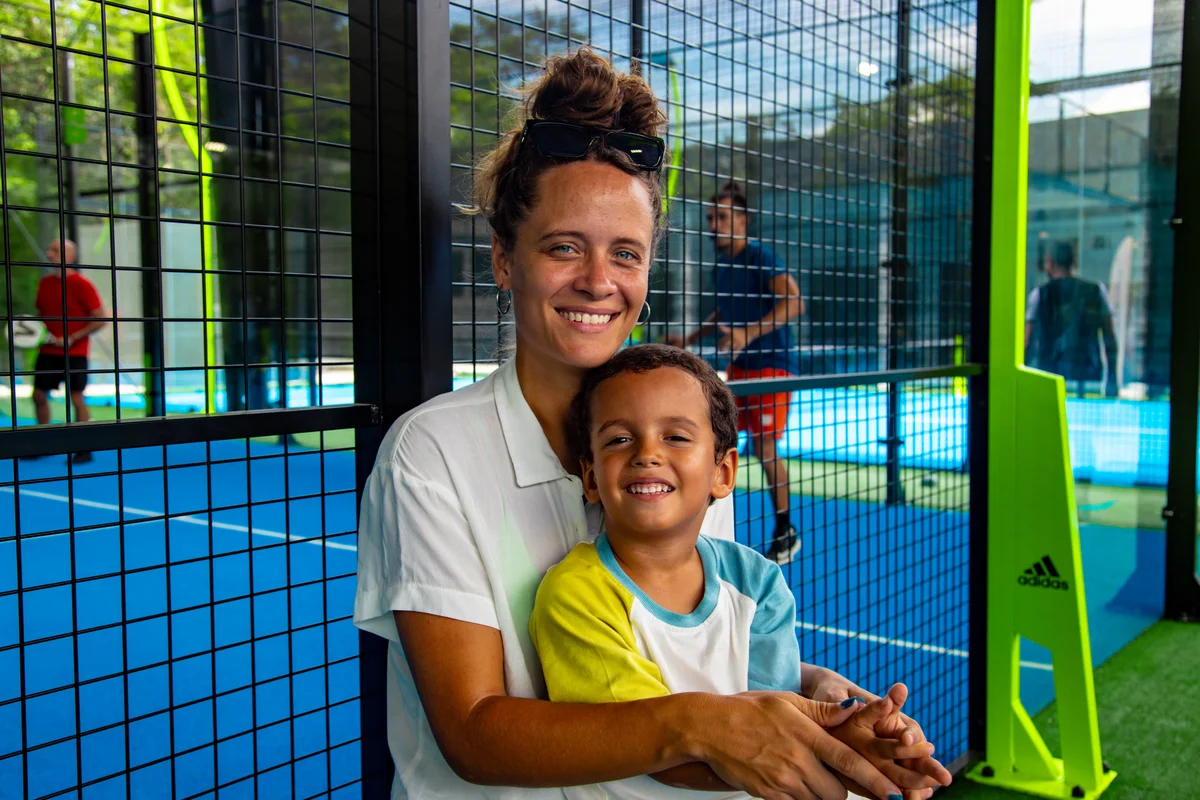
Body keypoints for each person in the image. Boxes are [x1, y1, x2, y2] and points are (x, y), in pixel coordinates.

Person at [354, 49, 940, 800]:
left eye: (625, 253)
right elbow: (473, 731)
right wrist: (705, 726)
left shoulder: (689, 440)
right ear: (505, 259)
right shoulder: (430, 455)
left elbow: (709, 657)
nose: (599, 281)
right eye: (564, 246)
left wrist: (827, 711)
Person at [530, 343, 949, 800]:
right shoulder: (577, 593)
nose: (646, 453)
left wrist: (850, 728)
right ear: (591, 479)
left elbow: (776, 708)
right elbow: (655, 741)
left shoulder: (756, 580)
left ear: (723, 472)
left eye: (675, 436)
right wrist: (836, 745)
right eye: (619, 439)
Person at [668, 182, 804, 564]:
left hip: (773, 367)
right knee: (716, 439)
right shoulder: (722, 267)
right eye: (711, 218)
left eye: (723, 217)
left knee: (763, 447)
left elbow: (794, 301)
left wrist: (749, 333)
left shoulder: (760, 257)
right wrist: (691, 338)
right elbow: (725, 312)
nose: (714, 224)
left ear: (742, 221)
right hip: (740, 368)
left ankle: (785, 529)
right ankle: (704, 528)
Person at [30, 238, 106, 462]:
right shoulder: (44, 284)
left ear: (70, 256)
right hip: (47, 353)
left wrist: (72, 337)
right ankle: (43, 443)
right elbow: (42, 318)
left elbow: (100, 318)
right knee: (38, 395)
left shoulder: (82, 284)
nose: (49, 252)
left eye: (56, 250)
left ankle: (84, 448)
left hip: (75, 354)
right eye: (50, 248)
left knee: (76, 397)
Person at [1024, 241, 1118, 398]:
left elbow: (1028, 343)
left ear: (1049, 262)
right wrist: (1112, 378)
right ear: (1074, 262)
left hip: (1049, 376)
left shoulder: (1040, 295)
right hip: (1089, 375)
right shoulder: (1096, 291)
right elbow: (1109, 338)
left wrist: (1026, 378)